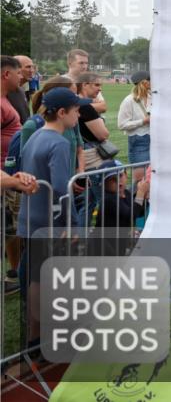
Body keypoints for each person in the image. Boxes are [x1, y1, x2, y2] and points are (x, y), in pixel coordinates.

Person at [18, 87, 87, 342]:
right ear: (61, 113)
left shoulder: (36, 135)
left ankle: (35, 336)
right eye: (77, 111)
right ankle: (42, 336)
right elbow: (61, 187)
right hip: (50, 220)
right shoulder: (58, 142)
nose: (79, 116)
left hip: (32, 216)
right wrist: (72, 222)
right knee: (45, 278)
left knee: (37, 276)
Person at [118, 71, 151, 185]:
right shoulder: (129, 100)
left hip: (156, 140)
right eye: (150, 80)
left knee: (152, 177)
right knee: (140, 180)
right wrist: (143, 121)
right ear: (145, 82)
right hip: (139, 140)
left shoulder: (154, 97)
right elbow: (122, 124)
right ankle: (135, 201)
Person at [95, 159, 149, 230]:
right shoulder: (108, 199)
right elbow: (130, 215)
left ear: (126, 175)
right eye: (112, 179)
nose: (118, 181)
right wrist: (140, 194)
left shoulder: (126, 193)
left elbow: (138, 212)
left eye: (120, 175)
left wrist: (144, 198)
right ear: (104, 184)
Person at [63, 49, 107, 114]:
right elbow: (65, 109)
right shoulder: (61, 82)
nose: (84, 66)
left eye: (86, 63)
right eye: (81, 63)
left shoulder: (90, 81)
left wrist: (78, 107)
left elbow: (103, 107)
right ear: (70, 64)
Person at [7, 55, 35, 123]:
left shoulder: (21, 90)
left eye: (33, 67)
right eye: (28, 67)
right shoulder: (5, 92)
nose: (32, 70)